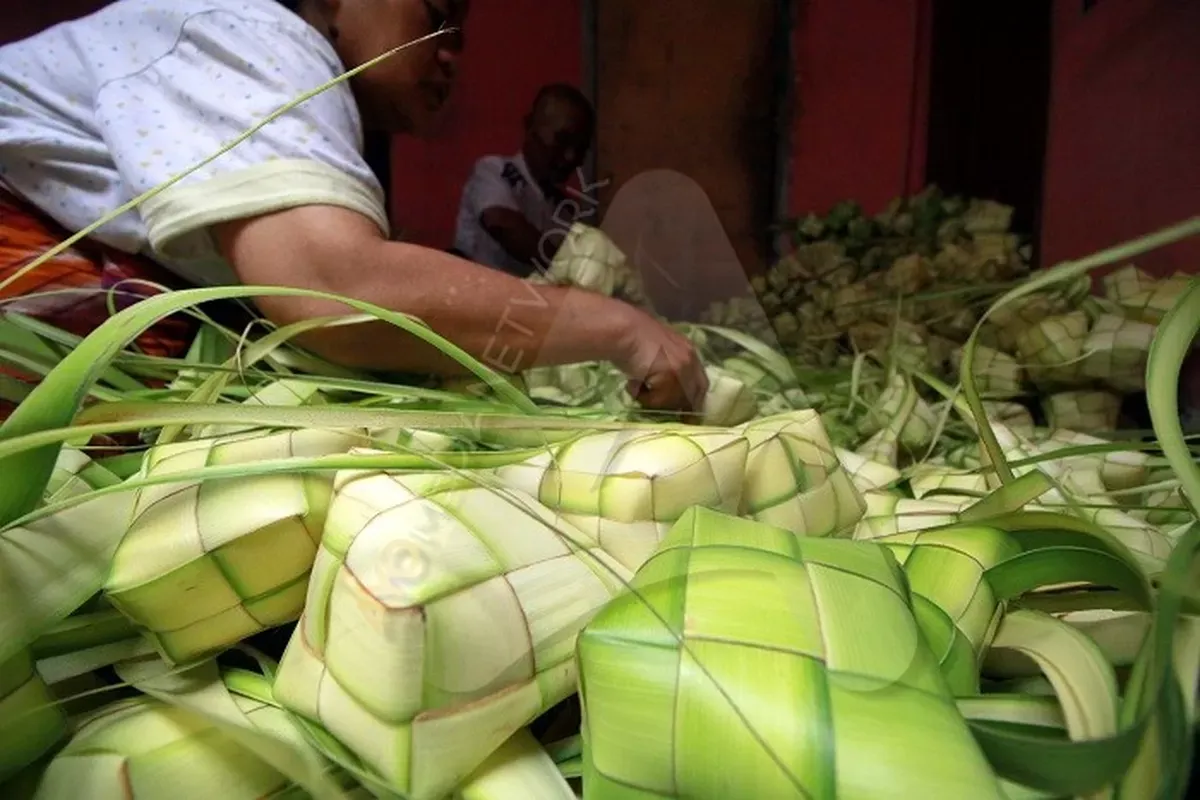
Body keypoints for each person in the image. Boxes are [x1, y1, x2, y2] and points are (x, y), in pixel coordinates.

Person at [0, 0, 706, 417]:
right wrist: (617, 327)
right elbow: (332, 291)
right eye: (437, 17)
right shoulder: (255, 33)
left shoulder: (317, 108)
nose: (452, 55)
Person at [452, 83, 594, 278]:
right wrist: (570, 269)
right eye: (562, 140)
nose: (571, 156)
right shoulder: (494, 170)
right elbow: (502, 224)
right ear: (530, 127)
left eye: (580, 149)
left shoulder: (566, 210)